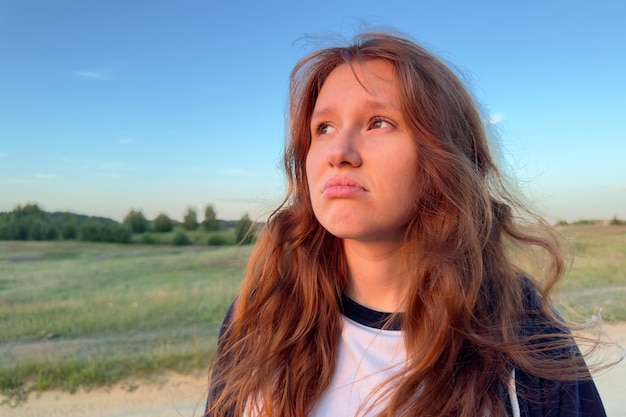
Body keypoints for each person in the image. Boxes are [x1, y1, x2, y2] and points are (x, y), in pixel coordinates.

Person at [205, 32, 608, 417]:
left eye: (378, 122)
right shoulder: (262, 314)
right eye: (323, 128)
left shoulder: (519, 325)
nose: (338, 153)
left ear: (443, 156)